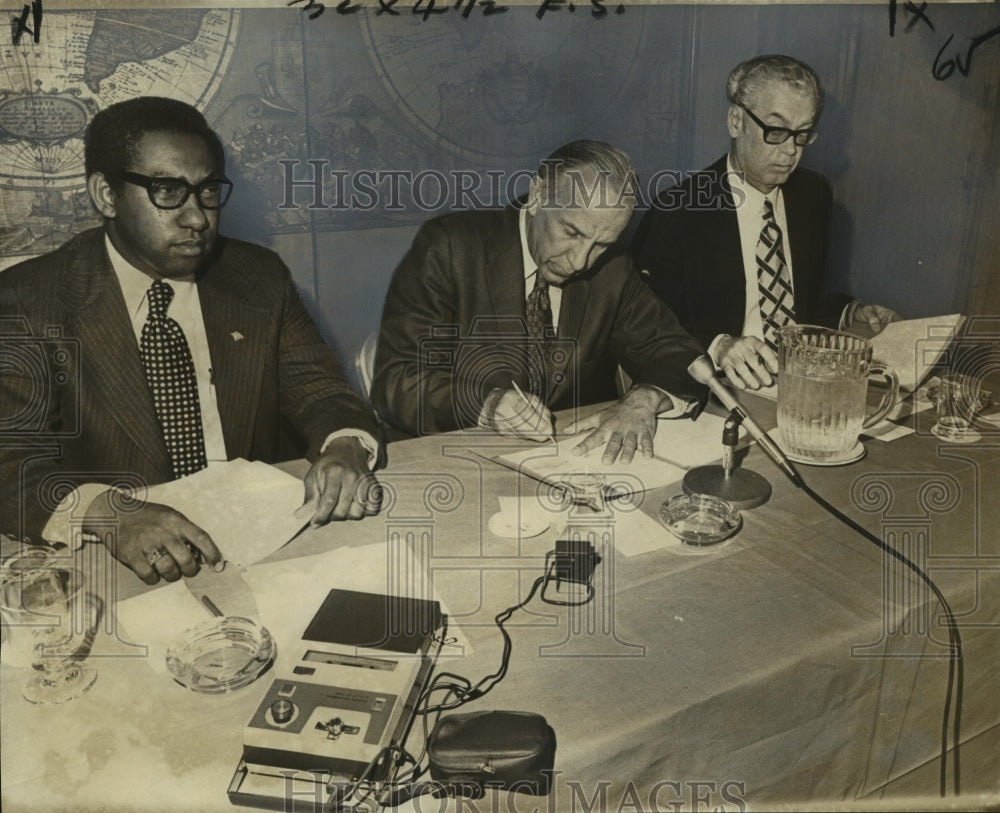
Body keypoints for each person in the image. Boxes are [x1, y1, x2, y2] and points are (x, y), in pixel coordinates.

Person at [0, 97, 381, 585]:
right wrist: (106, 511)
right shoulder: (30, 301)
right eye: (168, 192)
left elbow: (322, 391)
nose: (198, 219)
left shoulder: (258, 276)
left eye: (207, 192)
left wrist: (345, 444)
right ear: (106, 195)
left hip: (261, 543)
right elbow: (9, 464)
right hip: (121, 566)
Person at [371, 140, 707, 465]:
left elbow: (679, 353)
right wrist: (486, 405)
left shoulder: (613, 269)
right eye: (572, 232)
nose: (580, 262)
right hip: (458, 458)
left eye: (602, 244)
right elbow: (395, 383)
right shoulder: (449, 248)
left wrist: (644, 398)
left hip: (566, 467)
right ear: (537, 195)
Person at [632, 54, 899, 391]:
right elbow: (646, 321)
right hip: (718, 387)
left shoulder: (813, 195)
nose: (790, 151)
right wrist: (719, 345)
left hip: (800, 380)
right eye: (776, 131)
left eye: (802, 135)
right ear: (735, 121)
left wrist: (850, 311)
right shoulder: (680, 209)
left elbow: (803, 304)